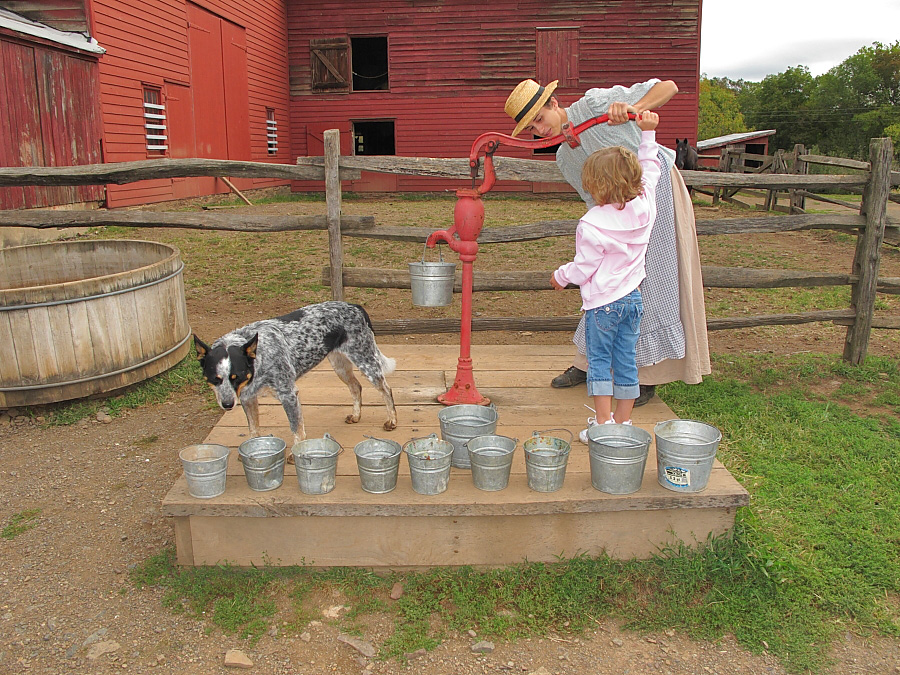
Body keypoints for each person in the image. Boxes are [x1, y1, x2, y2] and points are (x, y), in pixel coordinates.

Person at [504, 78, 710, 407]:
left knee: (650, 282)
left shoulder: (595, 105)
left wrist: (634, 109)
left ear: (554, 104)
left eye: (540, 119)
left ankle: (645, 376)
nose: (539, 130)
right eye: (532, 127)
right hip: (615, 216)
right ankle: (589, 364)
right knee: (602, 281)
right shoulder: (564, 158)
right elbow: (593, 200)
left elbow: (669, 87)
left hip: (654, 195)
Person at [551, 111, 661, 440]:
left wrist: (560, 275)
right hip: (633, 300)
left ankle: (602, 425)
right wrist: (648, 134)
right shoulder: (645, 203)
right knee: (626, 359)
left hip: (603, 306)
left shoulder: (593, 223)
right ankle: (623, 423)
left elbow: (584, 268)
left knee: (599, 361)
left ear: (598, 185)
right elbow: (652, 168)